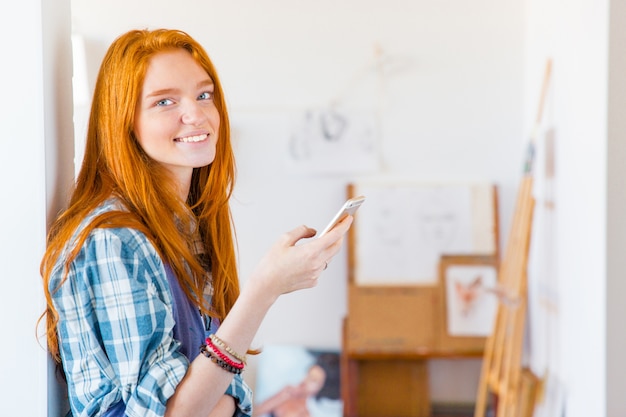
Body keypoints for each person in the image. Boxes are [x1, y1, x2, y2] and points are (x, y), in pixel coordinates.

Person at [40, 28, 353, 417]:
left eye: (204, 95)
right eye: (165, 102)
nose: (196, 114)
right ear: (124, 122)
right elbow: (177, 411)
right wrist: (264, 289)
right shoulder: (113, 239)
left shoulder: (184, 228)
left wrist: (213, 400)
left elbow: (221, 393)